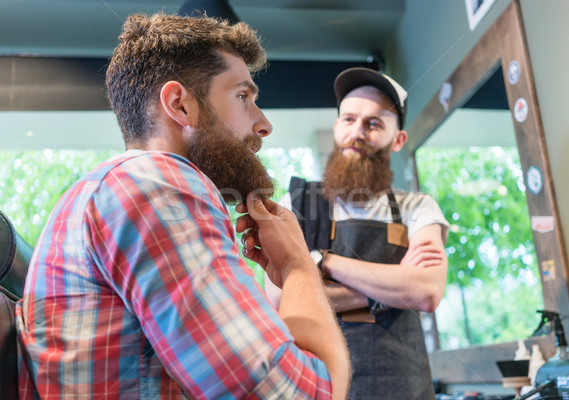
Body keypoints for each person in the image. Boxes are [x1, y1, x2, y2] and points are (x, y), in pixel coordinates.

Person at [15, 13, 350, 400]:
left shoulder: (101, 189)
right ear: (180, 105)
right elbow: (305, 393)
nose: (263, 124)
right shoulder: (158, 184)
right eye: (243, 97)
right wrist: (297, 264)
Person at [266, 67, 449, 400]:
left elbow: (426, 292)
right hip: (318, 385)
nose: (357, 132)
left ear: (398, 140)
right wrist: (390, 291)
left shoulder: (418, 207)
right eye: (348, 120)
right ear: (337, 127)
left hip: (402, 386)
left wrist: (322, 262)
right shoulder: (296, 202)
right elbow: (279, 303)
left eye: (374, 123)